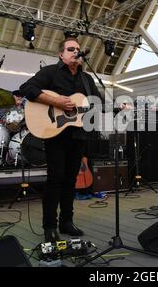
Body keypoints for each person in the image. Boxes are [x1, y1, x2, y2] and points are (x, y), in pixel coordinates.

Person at [19, 37, 103, 242]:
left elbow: (97, 103)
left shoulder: (87, 79)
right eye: (71, 49)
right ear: (61, 54)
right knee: (55, 178)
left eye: (78, 49)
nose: (76, 52)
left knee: (70, 180)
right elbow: (27, 88)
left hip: (79, 134)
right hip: (55, 134)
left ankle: (66, 222)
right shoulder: (50, 72)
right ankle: (49, 225)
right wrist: (55, 100)